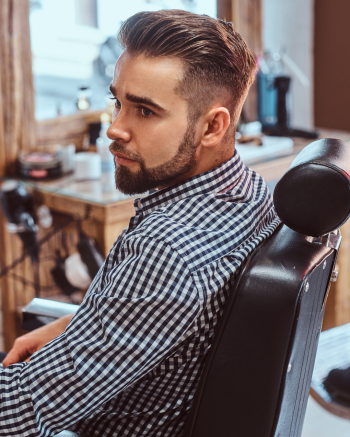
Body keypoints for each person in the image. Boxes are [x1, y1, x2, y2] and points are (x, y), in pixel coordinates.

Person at [0, 10, 280, 437]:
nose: (115, 128)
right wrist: (82, 324)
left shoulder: (166, 249)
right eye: (119, 102)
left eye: (145, 112)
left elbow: (19, 410)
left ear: (213, 126)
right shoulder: (254, 194)